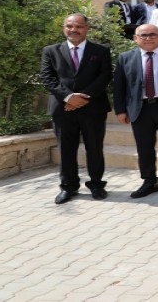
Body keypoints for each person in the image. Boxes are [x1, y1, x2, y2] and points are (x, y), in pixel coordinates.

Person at [40, 14, 112, 204]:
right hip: (62, 108)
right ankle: (68, 187)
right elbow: (47, 78)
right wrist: (69, 97)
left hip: (93, 108)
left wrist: (82, 97)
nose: (74, 30)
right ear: (64, 28)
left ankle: (96, 185)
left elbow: (105, 76)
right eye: (69, 26)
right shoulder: (50, 51)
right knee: (66, 149)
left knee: (94, 148)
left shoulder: (101, 50)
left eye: (79, 26)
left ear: (87, 28)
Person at [114, 24, 158, 199]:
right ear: (135, 38)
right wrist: (121, 110)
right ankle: (149, 182)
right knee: (144, 148)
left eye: (153, 34)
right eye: (143, 35)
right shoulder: (125, 58)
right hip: (140, 109)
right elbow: (119, 87)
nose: (148, 38)